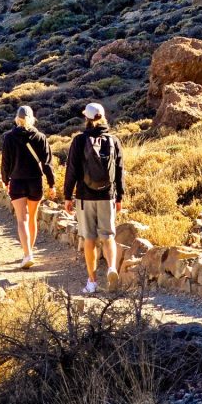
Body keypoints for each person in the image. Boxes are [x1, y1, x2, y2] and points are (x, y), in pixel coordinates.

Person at [63, 101, 125, 295]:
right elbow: (120, 171)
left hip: (85, 196)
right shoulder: (114, 140)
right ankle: (112, 268)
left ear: (86, 118)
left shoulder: (79, 141)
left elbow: (71, 170)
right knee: (108, 237)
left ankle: (92, 282)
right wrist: (119, 196)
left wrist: (67, 196)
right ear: (103, 117)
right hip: (107, 196)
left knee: (89, 239)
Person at [1, 105, 56, 268]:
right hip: (35, 182)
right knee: (32, 218)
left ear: (17, 118)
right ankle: (29, 252)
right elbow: (47, 164)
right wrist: (52, 184)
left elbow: (6, 163)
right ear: (32, 118)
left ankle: (28, 254)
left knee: (21, 219)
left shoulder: (9, 137)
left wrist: (5, 180)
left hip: (17, 181)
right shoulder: (40, 137)